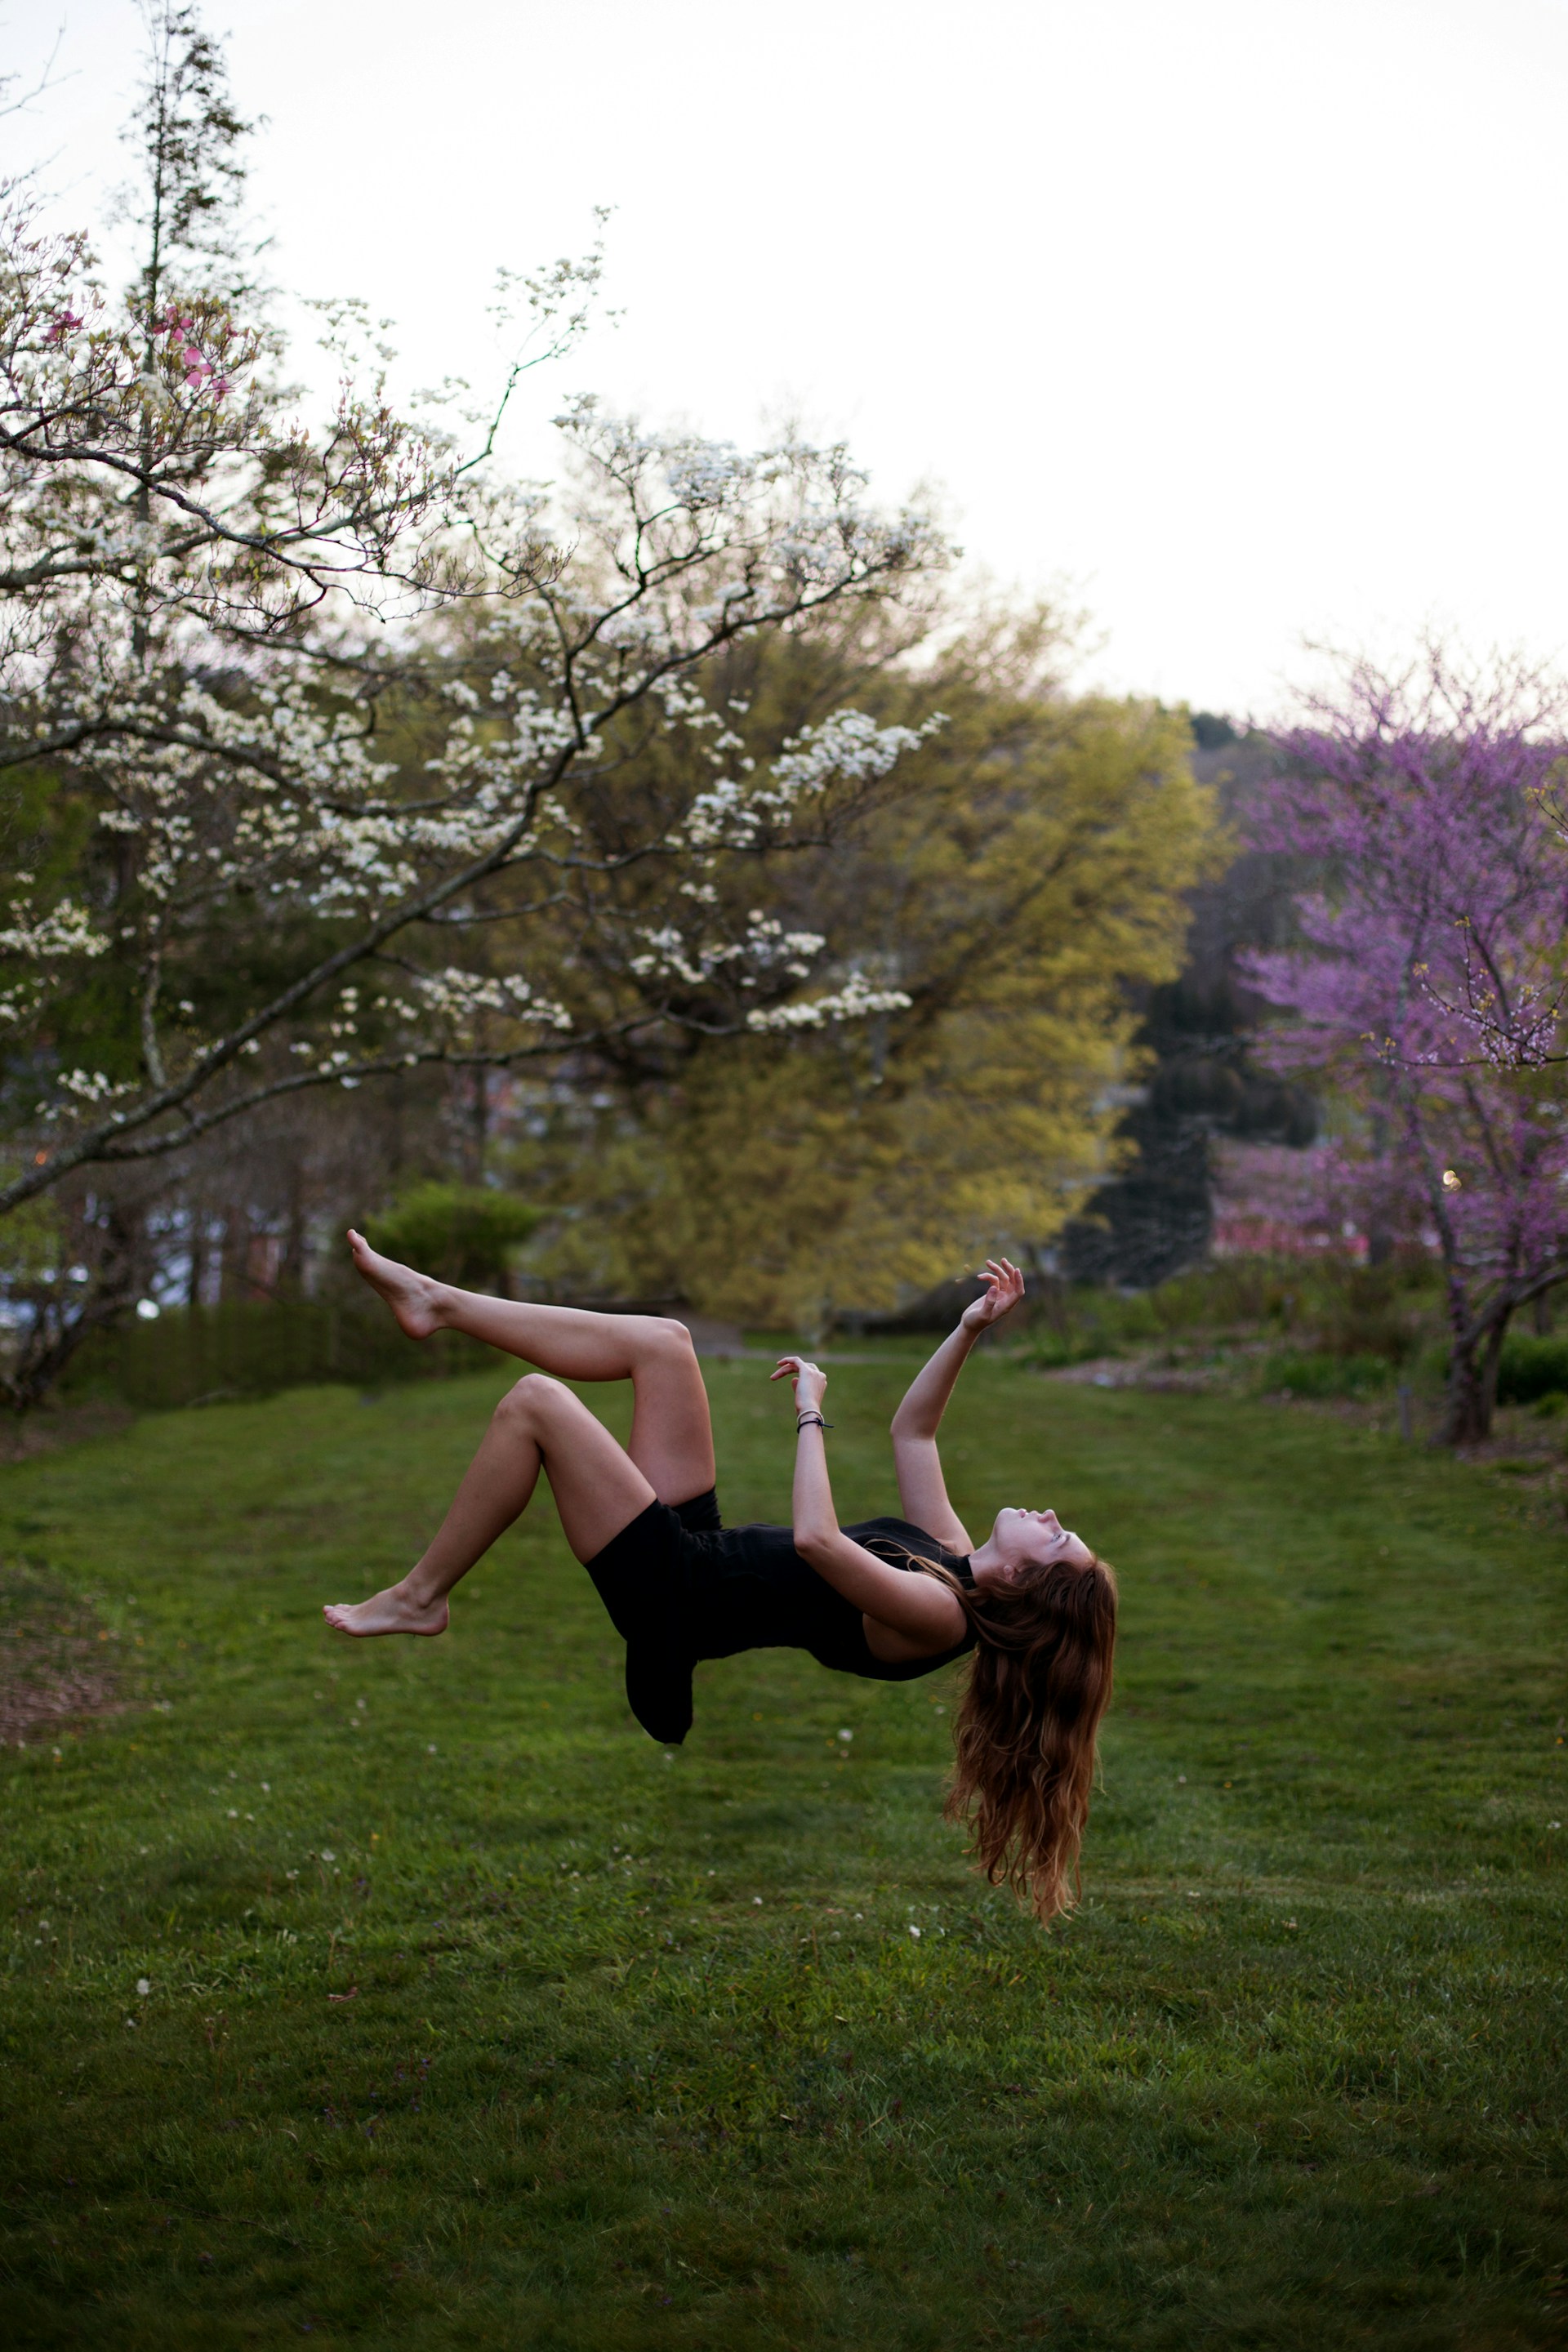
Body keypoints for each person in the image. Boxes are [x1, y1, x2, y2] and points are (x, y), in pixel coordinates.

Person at [324, 1238, 1118, 1922]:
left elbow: (816, 1541)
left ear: (1022, 1581)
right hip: (698, 1550)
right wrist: (967, 1328)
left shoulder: (938, 1614)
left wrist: (810, 1412)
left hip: (673, 1594)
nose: (1049, 1515)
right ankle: (436, 1303)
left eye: (1057, 1537)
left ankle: (422, 1596)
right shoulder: (948, 1555)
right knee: (666, 1343)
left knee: (537, 1405)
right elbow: (913, 1428)